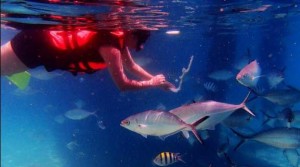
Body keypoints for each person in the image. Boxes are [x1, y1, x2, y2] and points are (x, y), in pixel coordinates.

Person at [1, 28, 175, 91]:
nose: (142, 47)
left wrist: (157, 81)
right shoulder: (112, 48)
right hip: (34, 47)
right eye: (142, 41)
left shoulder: (119, 40)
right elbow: (123, 85)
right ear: (131, 33)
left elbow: (131, 66)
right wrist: (151, 84)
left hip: (39, 49)